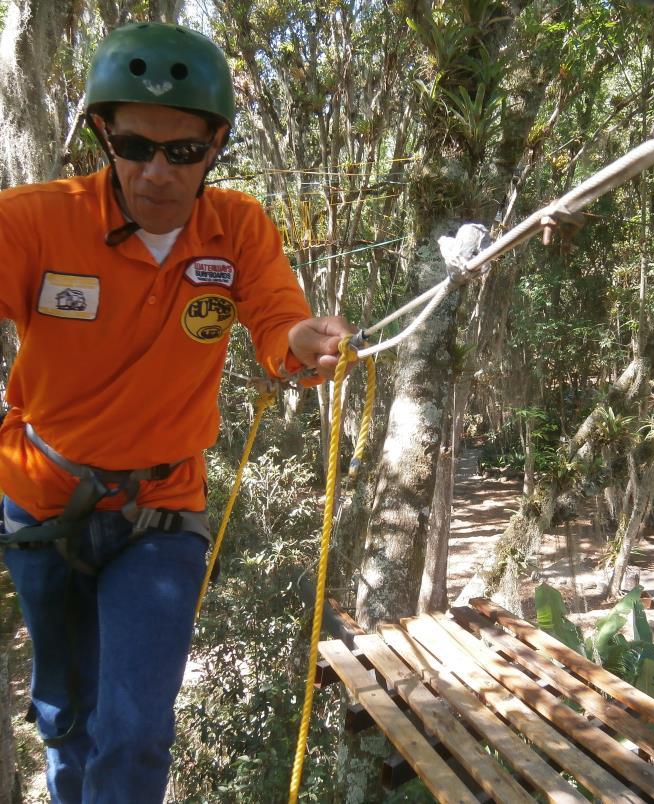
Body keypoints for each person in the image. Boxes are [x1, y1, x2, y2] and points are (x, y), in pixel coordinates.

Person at [0, 22, 353, 803]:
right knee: (65, 717)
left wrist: (305, 342)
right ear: (103, 135)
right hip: (42, 502)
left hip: (160, 507)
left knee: (135, 736)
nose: (157, 172)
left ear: (215, 145)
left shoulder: (237, 229)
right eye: (134, 146)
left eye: (183, 152)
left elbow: (275, 327)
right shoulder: (34, 220)